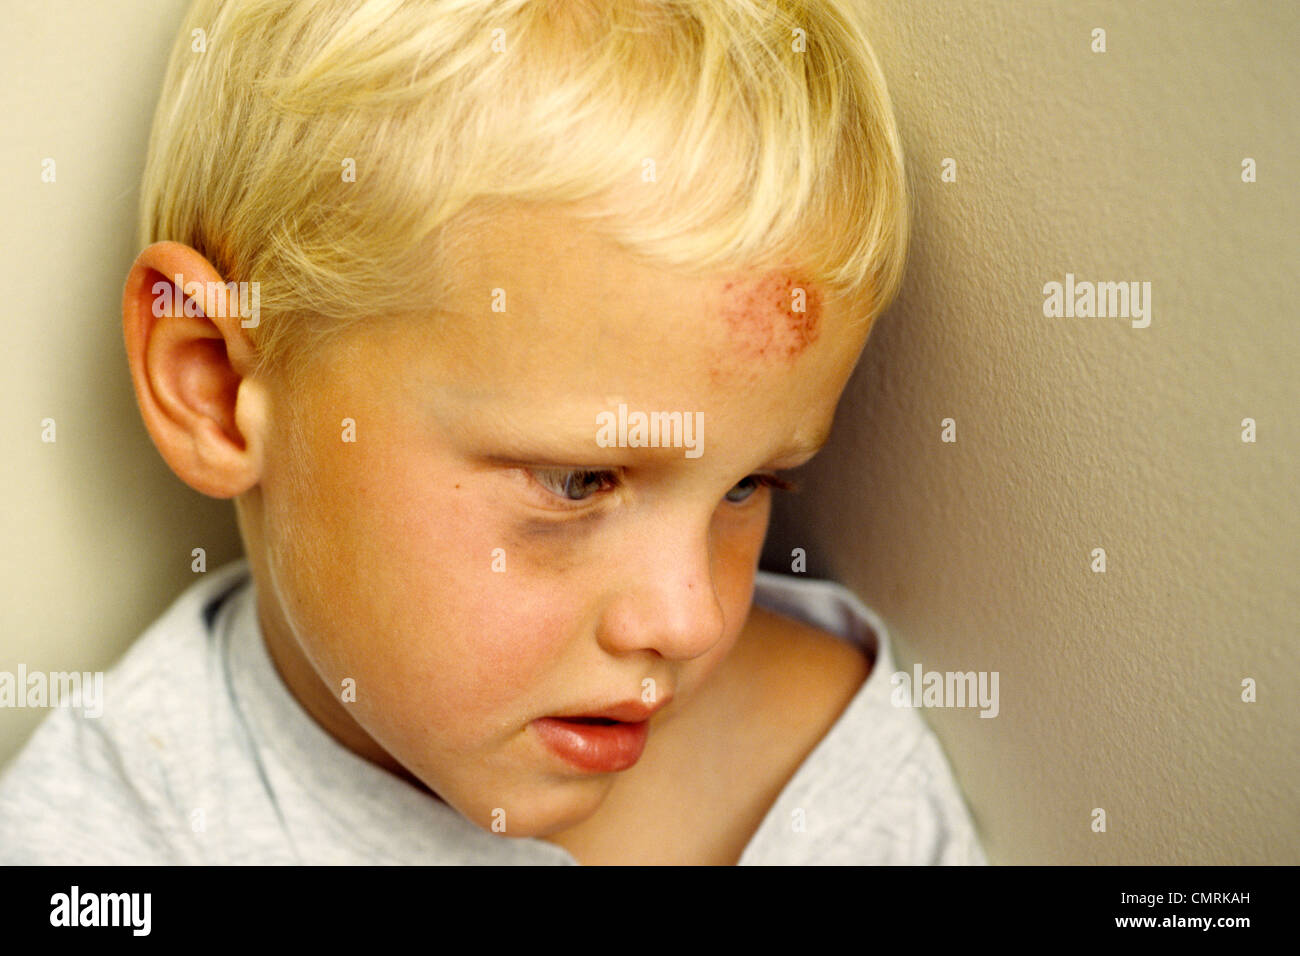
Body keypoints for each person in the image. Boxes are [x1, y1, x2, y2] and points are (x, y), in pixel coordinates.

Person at [0, 0, 985, 864]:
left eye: (748, 486)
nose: (688, 621)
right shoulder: (104, 846)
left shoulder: (835, 776)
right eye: (579, 480)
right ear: (214, 386)